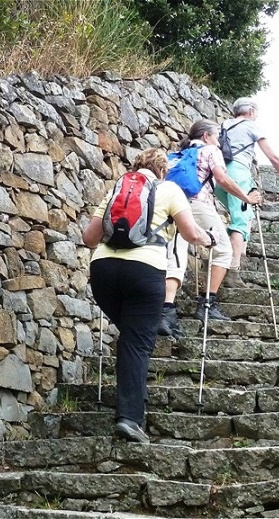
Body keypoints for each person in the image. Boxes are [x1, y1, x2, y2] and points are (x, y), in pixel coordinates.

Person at [82, 148, 213, 443]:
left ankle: (130, 407)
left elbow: (89, 238)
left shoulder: (117, 189)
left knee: (131, 336)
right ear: (163, 170)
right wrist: (209, 238)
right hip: (145, 271)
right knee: (138, 343)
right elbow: (191, 233)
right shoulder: (169, 189)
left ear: (136, 166)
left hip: (102, 271)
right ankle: (129, 418)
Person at [158, 120, 262, 338]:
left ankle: (166, 312)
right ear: (206, 136)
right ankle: (207, 304)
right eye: (216, 136)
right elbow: (223, 179)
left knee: (176, 257)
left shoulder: (180, 154)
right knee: (223, 250)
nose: (219, 141)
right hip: (197, 205)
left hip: (171, 205)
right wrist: (246, 198)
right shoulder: (210, 150)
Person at [217, 97, 279, 288]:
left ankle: (239, 254)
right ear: (251, 111)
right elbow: (273, 158)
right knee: (240, 220)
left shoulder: (223, 125)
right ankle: (233, 271)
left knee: (245, 215)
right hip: (238, 174)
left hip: (220, 177)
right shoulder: (251, 126)